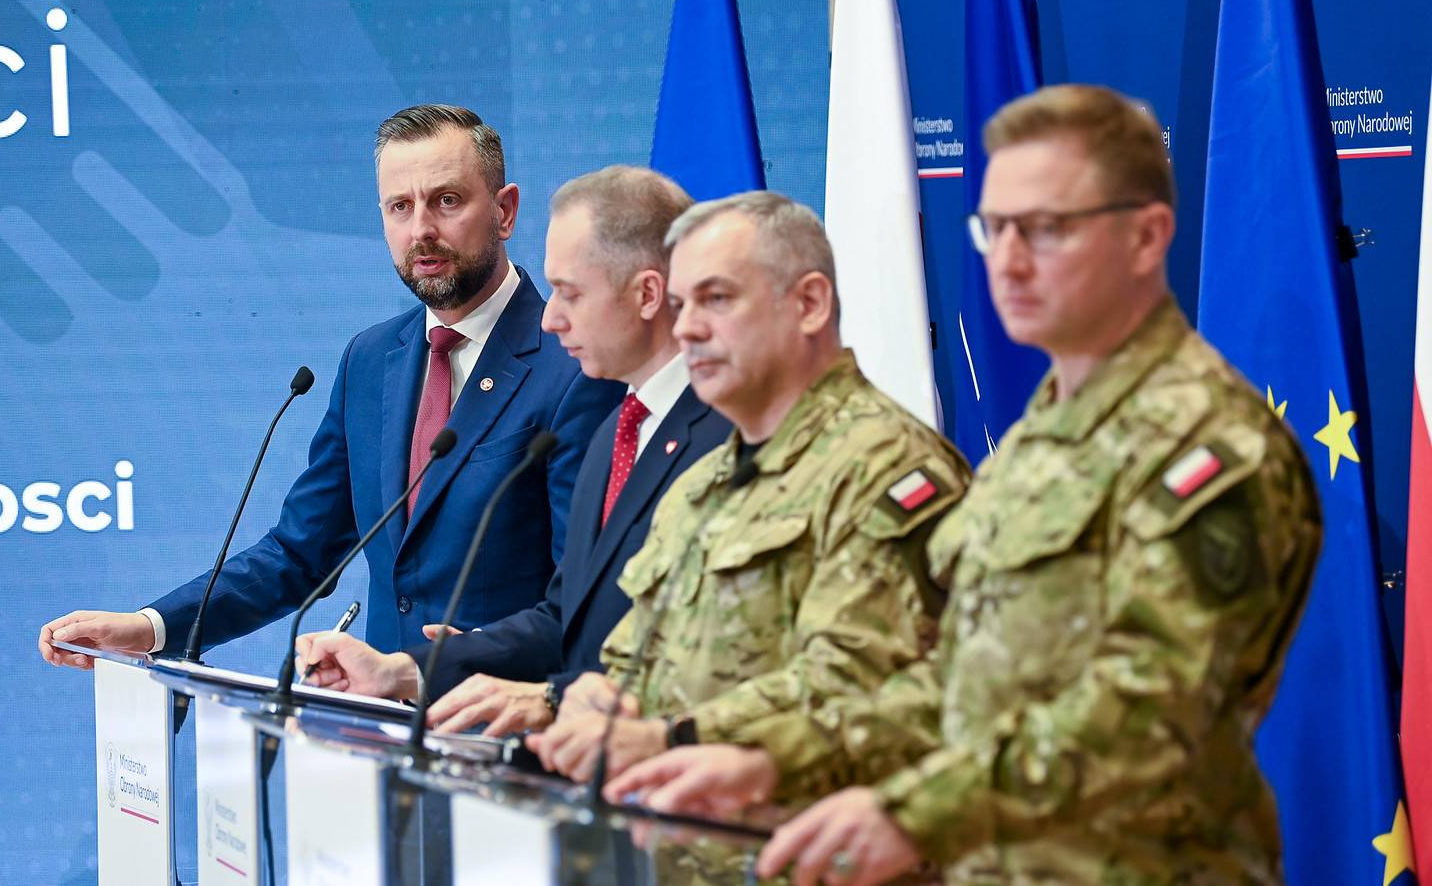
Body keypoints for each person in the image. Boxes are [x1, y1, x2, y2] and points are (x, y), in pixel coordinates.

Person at [611, 84, 1321, 886]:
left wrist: (911, 812)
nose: (1007, 261)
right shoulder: (1041, 440)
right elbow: (958, 678)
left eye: (1044, 229)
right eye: (995, 228)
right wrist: (770, 757)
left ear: (1146, 236)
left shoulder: (1210, 444)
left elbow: (1149, 711)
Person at [38, 104, 621, 665]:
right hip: (381, 724)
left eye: (447, 201)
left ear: (505, 211)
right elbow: (299, 552)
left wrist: (467, 663)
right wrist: (153, 627)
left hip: (513, 721)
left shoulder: (577, 366)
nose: (421, 230)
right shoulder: (370, 361)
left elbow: (587, 600)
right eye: (399, 207)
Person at [529, 190, 970, 880]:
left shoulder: (888, 469)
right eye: (681, 305)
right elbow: (635, 661)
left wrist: (670, 737)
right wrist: (596, 699)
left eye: (717, 299)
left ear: (809, 303)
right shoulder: (703, 484)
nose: (687, 329)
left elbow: (858, 685)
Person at [295, 165, 731, 735]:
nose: (550, 316)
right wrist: (403, 671)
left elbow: (728, 648)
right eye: (398, 206)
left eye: (570, 292)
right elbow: (573, 618)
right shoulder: (620, 433)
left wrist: (558, 702)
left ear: (647, 294)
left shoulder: (729, 437)